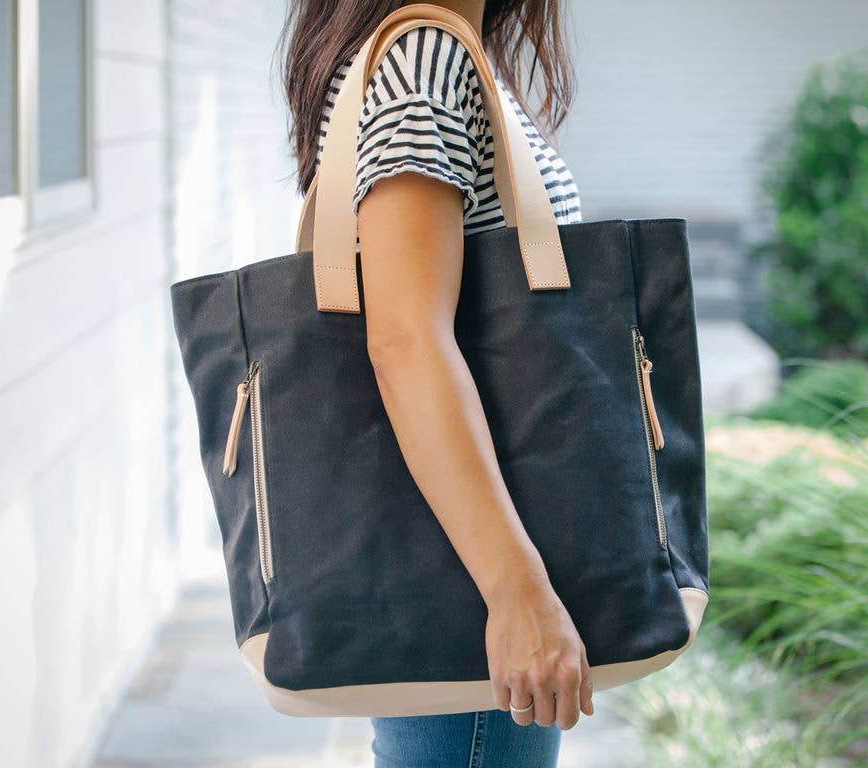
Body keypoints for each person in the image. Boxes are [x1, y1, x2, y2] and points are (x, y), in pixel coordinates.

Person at [281, 1, 591, 764]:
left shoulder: (440, 48)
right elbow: (405, 338)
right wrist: (518, 590)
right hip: (474, 586)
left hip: (477, 569)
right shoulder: (425, 58)